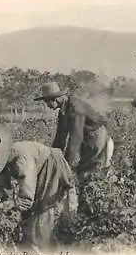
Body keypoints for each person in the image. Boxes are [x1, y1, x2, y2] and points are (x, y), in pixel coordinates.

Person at [0, 125, 78, 253]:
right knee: (30, 219)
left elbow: (26, 200)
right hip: (40, 170)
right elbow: (2, 189)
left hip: (52, 167)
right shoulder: (2, 161)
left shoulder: (22, 161)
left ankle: (50, 252)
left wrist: (4, 207)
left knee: (42, 217)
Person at [34, 82, 114, 215]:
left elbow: (75, 140)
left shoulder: (75, 109)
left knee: (89, 171)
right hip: (86, 137)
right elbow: (60, 137)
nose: (47, 105)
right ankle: (85, 207)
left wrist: (66, 165)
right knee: (82, 171)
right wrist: (53, 159)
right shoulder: (63, 111)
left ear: (55, 99)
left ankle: (92, 209)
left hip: (95, 136)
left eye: (47, 102)